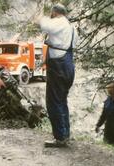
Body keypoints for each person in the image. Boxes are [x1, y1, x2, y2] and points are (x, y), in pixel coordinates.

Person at [39, 3, 78, 147]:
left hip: (58, 68)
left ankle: (60, 138)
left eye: (51, 13)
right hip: (68, 66)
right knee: (62, 101)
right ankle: (65, 134)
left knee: (54, 102)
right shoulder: (71, 26)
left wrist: (40, 17)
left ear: (55, 12)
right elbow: (69, 45)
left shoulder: (58, 22)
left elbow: (44, 25)